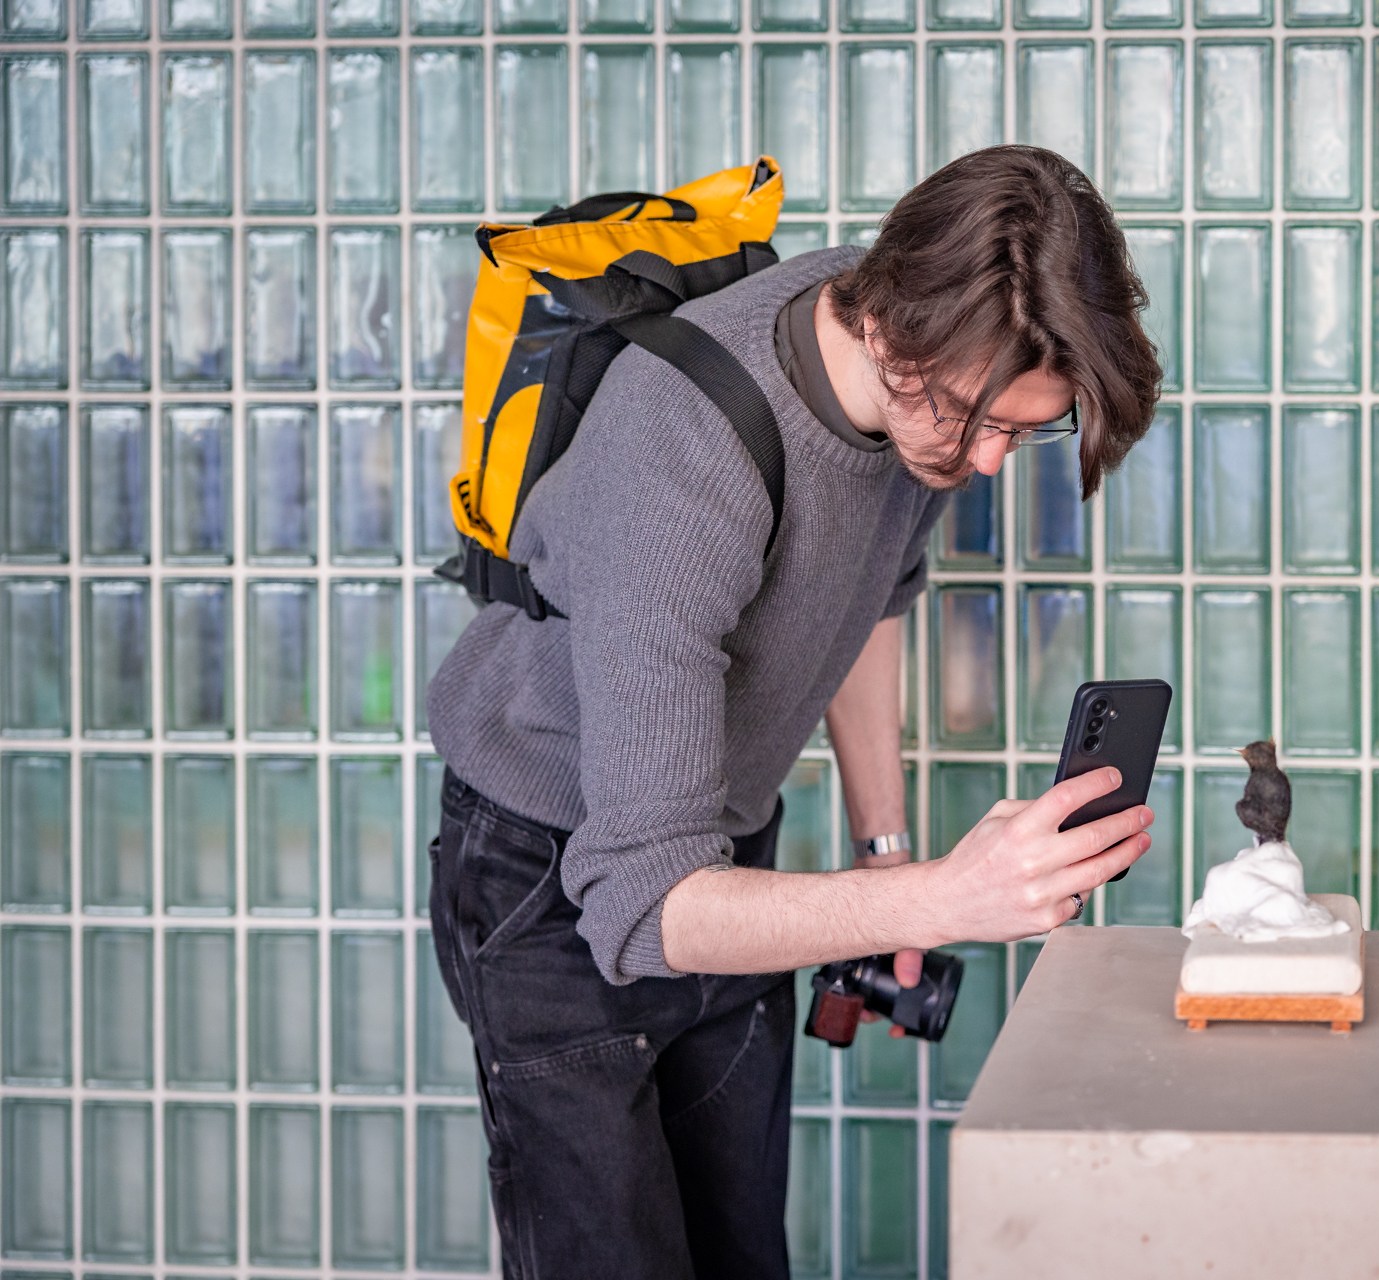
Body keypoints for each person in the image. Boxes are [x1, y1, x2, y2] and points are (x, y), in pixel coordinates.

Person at [425, 144, 1164, 1279]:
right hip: (554, 875)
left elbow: (869, 596)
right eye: (976, 421)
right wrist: (947, 895)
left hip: (718, 851)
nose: (988, 462)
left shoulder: (916, 356)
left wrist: (887, 857)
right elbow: (641, 907)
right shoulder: (680, 454)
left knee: (741, 1258)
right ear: (888, 332)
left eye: (1025, 431)